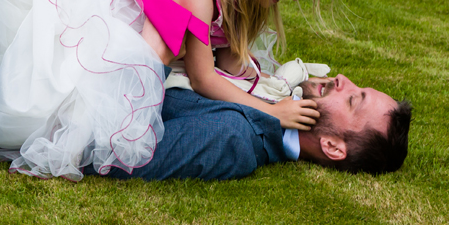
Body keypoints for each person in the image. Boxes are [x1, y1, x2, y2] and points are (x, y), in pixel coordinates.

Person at [0, 0, 345, 181]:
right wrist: (273, 112)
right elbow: (204, 79)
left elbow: (232, 67)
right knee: (75, 115)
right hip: (125, 56)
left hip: (162, 58)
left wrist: (260, 88)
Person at [94, 75, 412, 180]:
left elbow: (116, 152)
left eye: (352, 99)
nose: (344, 81)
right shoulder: (270, 89)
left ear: (331, 146)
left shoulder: (233, 136)